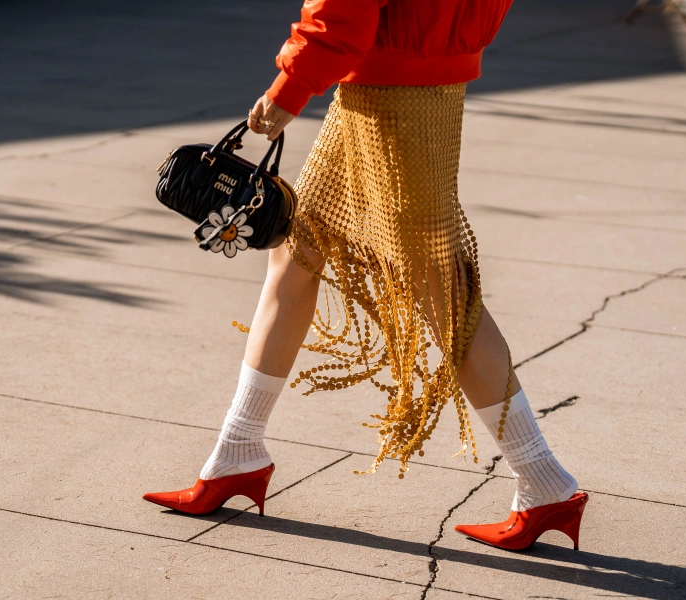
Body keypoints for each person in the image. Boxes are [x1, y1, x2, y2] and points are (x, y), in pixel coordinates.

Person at [144, 0, 587, 551]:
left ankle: (543, 480)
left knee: (444, 295)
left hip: (392, 82)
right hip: (415, 65)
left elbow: (342, 8)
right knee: (298, 253)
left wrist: (290, 87)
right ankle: (238, 451)